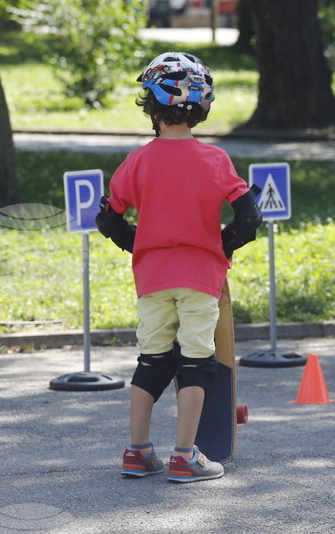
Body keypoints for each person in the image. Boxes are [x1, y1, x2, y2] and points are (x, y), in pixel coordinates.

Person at [96, 52, 261, 483]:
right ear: (202, 106)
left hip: (152, 278)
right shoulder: (215, 161)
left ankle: (137, 452)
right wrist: (220, 246)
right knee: (196, 361)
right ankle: (185, 456)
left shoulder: (137, 162)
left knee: (151, 360)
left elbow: (108, 220)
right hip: (200, 278)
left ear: (151, 106)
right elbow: (249, 219)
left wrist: (142, 245)